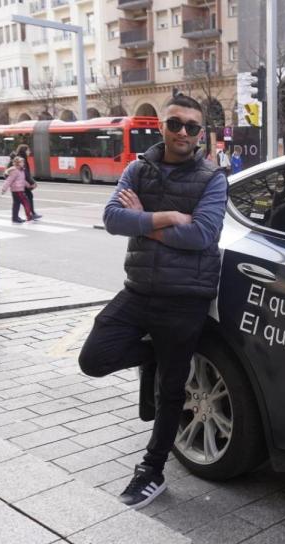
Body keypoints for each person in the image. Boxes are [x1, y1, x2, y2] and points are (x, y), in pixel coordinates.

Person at [77, 94, 227, 509]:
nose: (182, 133)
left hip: (184, 298)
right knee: (94, 357)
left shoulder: (212, 178)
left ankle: (152, 471)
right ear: (161, 125)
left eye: (191, 127)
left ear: (200, 134)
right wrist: (166, 218)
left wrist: (143, 221)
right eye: (175, 123)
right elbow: (112, 219)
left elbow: (202, 236)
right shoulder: (138, 168)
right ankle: (154, 355)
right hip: (139, 289)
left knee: (171, 391)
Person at [9, 144, 42, 220]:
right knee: (24, 199)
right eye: (28, 150)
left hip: (19, 183)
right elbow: (25, 173)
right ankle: (27, 215)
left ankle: (28, 214)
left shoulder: (20, 158)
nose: (29, 152)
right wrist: (32, 182)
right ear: (24, 151)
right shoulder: (21, 159)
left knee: (20, 200)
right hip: (18, 184)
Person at [2, 156, 34, 223]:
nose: (23, 163)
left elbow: (22, 180)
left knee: (16, 204)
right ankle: (28, 216)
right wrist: (4, 189)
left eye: (23, 162)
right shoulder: (15, 171)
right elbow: (9, 180)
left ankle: (15, 218)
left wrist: (28, 185)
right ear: (17, 163)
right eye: (21, 162)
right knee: (26, 202)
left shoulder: (21, 170)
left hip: (19, 190)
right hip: (17, 190)